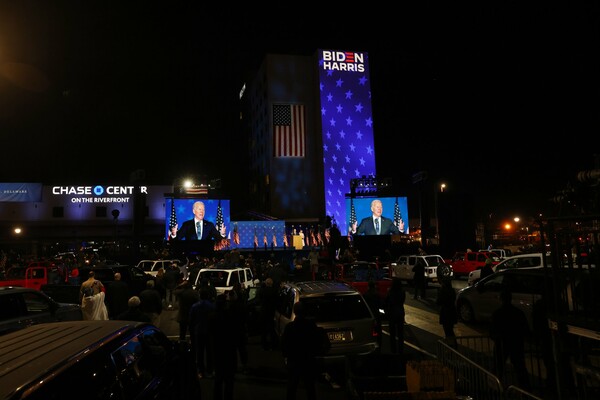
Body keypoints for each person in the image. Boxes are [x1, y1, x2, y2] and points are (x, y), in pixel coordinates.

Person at [281, 301, 330, 400]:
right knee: (310, 387)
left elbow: (284, 344)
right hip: (308, 360)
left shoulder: (290, 327)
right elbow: (318, 341)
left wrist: (286, 356)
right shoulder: (311, 326)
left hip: (294, 361)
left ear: (294, 312)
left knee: (292, 387)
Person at [489, 289, 531, 389]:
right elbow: (525, 329)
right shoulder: (518, 313)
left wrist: (497, 338)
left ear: (501, 299)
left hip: (502, 344)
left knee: (498, 367)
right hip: (516, 343)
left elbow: (492, 331)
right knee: (520, 367)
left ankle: (495, 389)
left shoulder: (497, 314)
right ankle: (525, 389)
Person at [189, 286, 217, 379]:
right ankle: (210, 370)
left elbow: (191, 320)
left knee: (199, 353)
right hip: (209, 331)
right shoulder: (212, 306)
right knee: (210, 352)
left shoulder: (195, 306)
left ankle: (200, 371)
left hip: (198, 331)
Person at [385, 278, 406, 354]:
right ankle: (401, 350)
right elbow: (403, 301)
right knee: (400, 333)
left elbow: (387, 301)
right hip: (400, 312)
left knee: (392, 334)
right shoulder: (402, 292)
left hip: (392, 313)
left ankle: (393, 350)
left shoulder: (390, 292)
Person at [257, 277, 278, 350]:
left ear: (266, 283)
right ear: (271, 284)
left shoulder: (262, 291)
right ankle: (273, 345)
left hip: (263, 312)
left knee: (264, 330)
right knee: (272, 329)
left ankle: (264, 345)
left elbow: (258, 299)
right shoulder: (274, 291)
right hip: (271, 312)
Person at [362, 280, 384, 349]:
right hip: (376, 313)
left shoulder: (365, 295)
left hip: (369, 314)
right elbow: (381, 305)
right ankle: (379, 345)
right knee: (378, 331)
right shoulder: (377, 294)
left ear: (368, 286)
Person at [436, 278, 458, 346]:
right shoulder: (452, 290)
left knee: (448, 331)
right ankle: (453, 345)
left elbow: (438, 302)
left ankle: (451, 346)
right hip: (452, 312)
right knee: (450, 330)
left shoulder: (443, 291)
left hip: (446, 313)